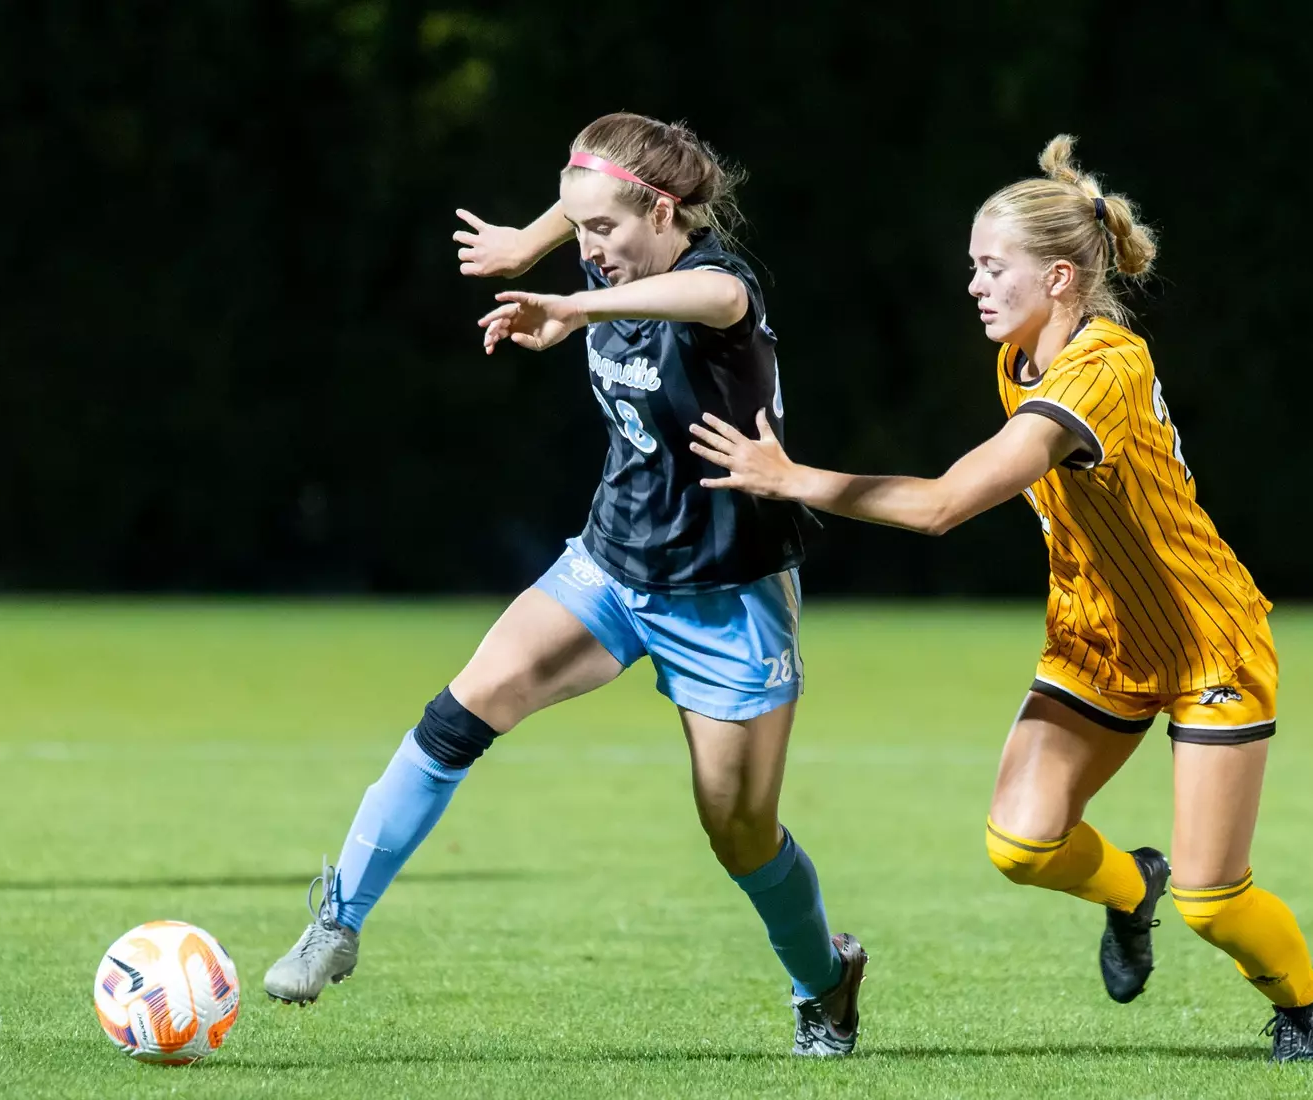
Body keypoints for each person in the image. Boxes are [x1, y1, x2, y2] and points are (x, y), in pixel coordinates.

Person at [687, 134, 1313, 1063]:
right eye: (972, 266)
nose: (975, 285)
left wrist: (790, 478)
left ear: (1063, 278)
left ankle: (1306, 1002)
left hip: (1207, 641)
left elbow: (944, 506)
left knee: (1212, 896)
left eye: (993, 267)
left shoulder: (1102, 370)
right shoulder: (1024, 357)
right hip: (1097, 638)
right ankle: (1129, 889)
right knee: (1022, 843)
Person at [263, 112, 866, 1057]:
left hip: (726, 594)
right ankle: (336, 921)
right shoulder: (613, 246)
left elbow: (704, 292)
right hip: (609, 564)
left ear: (662, 211)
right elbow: (595, 196)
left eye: (601, 233)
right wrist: (529, 241)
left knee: (740, 836)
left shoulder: (717, 291)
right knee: (460, 710)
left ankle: (824, 981)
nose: (589, 249)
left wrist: (568, 304)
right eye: (579, 231)